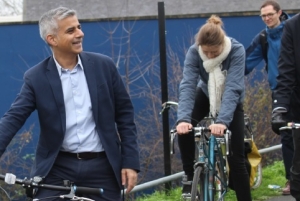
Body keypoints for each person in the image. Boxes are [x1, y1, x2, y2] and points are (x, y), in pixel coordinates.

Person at [0, 6, 140, 201]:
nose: (80, 34)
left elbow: (125, 114)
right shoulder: (36, 78)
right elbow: (13, 118)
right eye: (71, 30)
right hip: (57, 169)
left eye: (79, 27)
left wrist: (130, 162)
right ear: (52, 39)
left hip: (103, 168)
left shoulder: (104, 66)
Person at [176, 15, 252, 201]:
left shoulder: (236, 50)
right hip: (206, 93)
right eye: (206, 52)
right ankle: (188, 175)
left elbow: (233, 87)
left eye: (214, 52)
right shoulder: (194, 52)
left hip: (231, 101)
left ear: (222, 45)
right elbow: (187, 85)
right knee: (182, 130)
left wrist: (222, 121)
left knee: (237, 159)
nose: (210, 56)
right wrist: (183, 119)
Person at [245, 0, 292, 195]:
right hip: (279, 92)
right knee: (287, 135)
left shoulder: (293, 30)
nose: (267, 18)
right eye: (263, 16)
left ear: (279, 13)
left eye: (270, 14)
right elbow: (245, 64)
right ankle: (292, 180)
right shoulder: (263, 38)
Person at [272, 13, 300, 201]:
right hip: (298, 102)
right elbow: (286, 70)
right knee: (298, 173)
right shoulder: (293, 26)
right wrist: (280, 107)